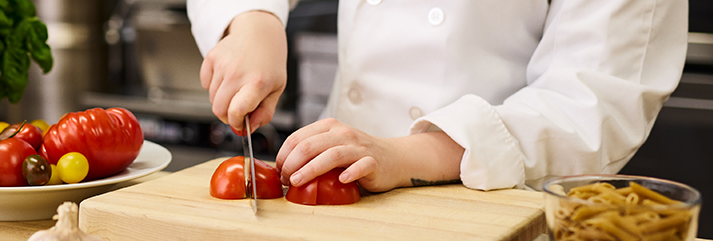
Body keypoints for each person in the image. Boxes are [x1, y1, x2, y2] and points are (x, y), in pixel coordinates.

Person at [187, 0, 688, 192]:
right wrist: (252, 19)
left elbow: (595, 100)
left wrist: (406, 153)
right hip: (334, 189)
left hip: (493, 201)